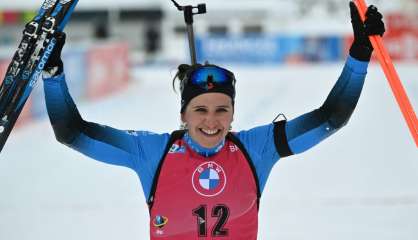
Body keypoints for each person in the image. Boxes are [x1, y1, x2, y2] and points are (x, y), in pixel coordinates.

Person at [42, 2, 385, 239]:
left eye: (222, 109)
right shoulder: (152, 151)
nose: (212, 121)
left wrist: (359, 55)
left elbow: (331, 118)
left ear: (234, 113)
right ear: (183, 115)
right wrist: (52, 74)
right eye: (200, 110)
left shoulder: (256, 148)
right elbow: (72, 132)